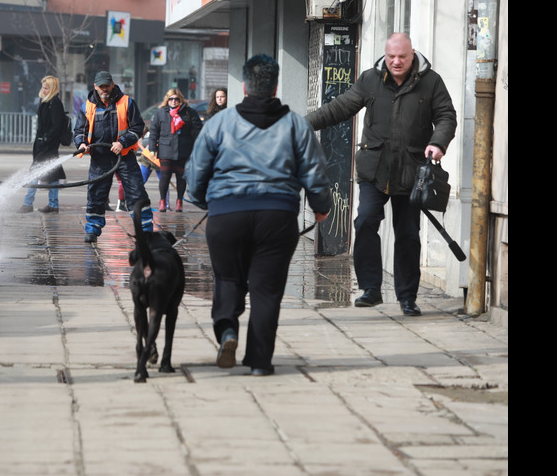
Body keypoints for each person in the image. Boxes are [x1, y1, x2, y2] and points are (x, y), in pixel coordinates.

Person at [185, 54, 331, 376]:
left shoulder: (219, 124)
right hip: (276, 217)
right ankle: (260, 363)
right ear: (275, 85)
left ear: (244, 85)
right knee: (267, 290)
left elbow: (195, 173)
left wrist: (201, 199)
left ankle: (227, 332)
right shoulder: (296, 125)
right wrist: (321, 207)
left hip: (227, 217)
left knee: (228, 279)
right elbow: (315, 171)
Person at [305, 33, 457, 316]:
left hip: (412, 172)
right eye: (391, 57)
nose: (396, 62)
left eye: (402, 57)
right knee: (364, 222)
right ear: (385, 56)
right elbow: (340, 108)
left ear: (413, 55)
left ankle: (407, 297)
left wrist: (438, 142)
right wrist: (303, 124)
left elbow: (447, 115)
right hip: (374, 170)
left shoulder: (431, 81)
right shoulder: (370, 79)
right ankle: (370, 289)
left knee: (409, 235)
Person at [75, 71, 153, 243]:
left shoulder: (127, 103)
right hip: (99, 159)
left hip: (124, 157)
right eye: (101, 86)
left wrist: (122, 142)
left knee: (136, 191)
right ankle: (93, 229)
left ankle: (145, 229)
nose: (104, 89)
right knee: (95, 194)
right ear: (95, 86)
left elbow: (138, 127)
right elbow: (79, 130)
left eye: (107, 85)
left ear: (112, 85)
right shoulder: (87, 107)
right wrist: (81, 144)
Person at [147, 88, 203, 212]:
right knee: (165, 177)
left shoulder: (189, 112)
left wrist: (197, 147)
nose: (173, 101)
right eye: (171, 99)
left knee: (181, 177)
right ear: (167, 100)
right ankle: (162, 202)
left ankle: (179, 202)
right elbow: (154, 132)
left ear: (181, 100)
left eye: (176, 99)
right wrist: (152, 148)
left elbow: (198, 130)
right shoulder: (160, 112)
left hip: (184, 149)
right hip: (165, 149)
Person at [18, 76, 68, 214]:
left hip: (48, 145)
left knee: (36, 171)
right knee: (51, 173)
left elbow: (56, 126)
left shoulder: (55, 103)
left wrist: (46, 139)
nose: (43, 90)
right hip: (43, 143)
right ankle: (53, 205)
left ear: (52, 89)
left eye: (46, 88)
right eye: (43, 87)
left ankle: (28, 203)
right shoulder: (45, 101)